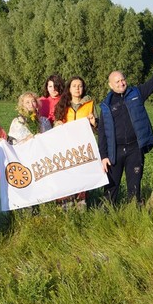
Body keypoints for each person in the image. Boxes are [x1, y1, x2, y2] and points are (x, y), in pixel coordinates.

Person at [98, 41, 153, 205]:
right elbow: (102, 134)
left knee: (134, 189)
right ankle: (106, 218)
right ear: (110, 85)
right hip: (115, 152)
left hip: (134, 149)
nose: (121, 83)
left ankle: (134, 216)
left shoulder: (136, 93)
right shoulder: (106, 106)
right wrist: (103, 156)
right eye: (117, 81)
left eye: (123, 79)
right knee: (110, 189)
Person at [52, 76, 99, 209]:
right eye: (74, 86)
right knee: (66, 175)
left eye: (80, 86)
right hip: (66, 147)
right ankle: (66, 204)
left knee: (82, 176)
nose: (77, 88)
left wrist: (94, 123)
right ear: (69, 88)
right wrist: (57, 124)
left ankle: (81, 203)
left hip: (83, 148)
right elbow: (56, 125)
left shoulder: (90, 104)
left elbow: (97, 128)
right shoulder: (63, 105)